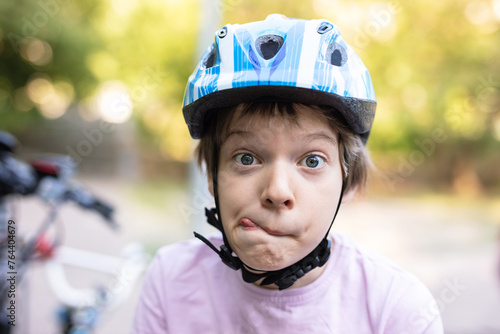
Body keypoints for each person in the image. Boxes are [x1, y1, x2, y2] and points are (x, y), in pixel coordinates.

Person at [132, 14, 443, 333]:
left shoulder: (397, 310)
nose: (278, 192)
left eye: (311, 161)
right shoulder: (170, 282)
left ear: (347, 181)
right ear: (211, 175)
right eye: (246, 157)